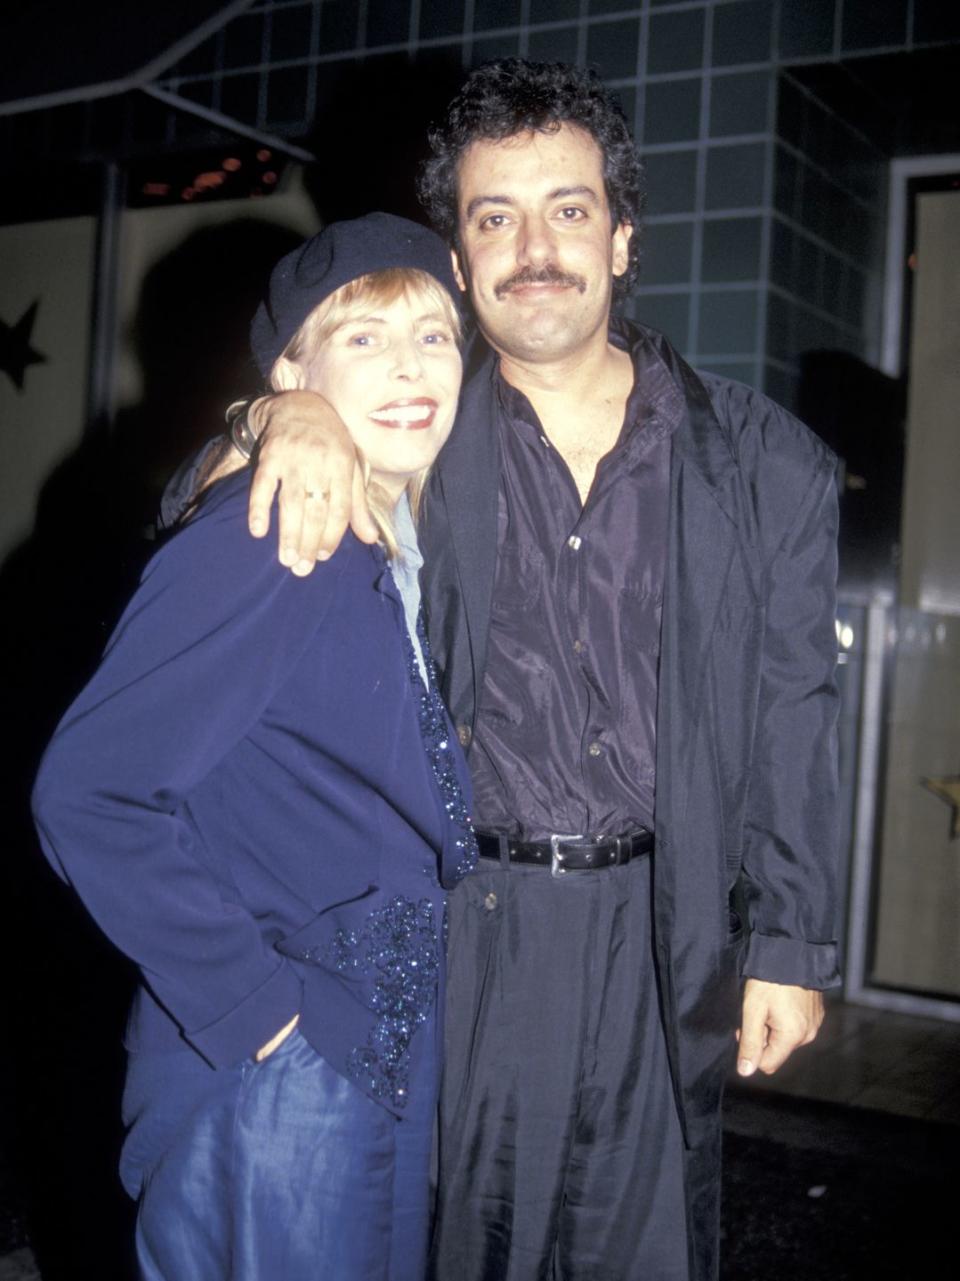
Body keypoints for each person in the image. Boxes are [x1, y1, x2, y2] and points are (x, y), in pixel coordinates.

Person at [184, 59, 841, 1281]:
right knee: (448, 1245)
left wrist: (794, 943)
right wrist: (272, 417)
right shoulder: (411, 424)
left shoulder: (766, 464)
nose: (534, 248)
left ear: (623, 236)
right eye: (495, 218)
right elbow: (196, 514)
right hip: (462, 929)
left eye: (569, 210)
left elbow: (795, 709)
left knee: (646, 1251)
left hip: (664, 926)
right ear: (459, 254)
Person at [32, 212, 476, 1281]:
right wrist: (261, 1014)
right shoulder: (280, 531)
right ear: (294, 370)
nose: (412, 369)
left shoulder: (375, 530)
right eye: (364, 338)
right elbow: (91, 793)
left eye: (435, 336)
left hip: (363, 1038)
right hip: (287, 1058)